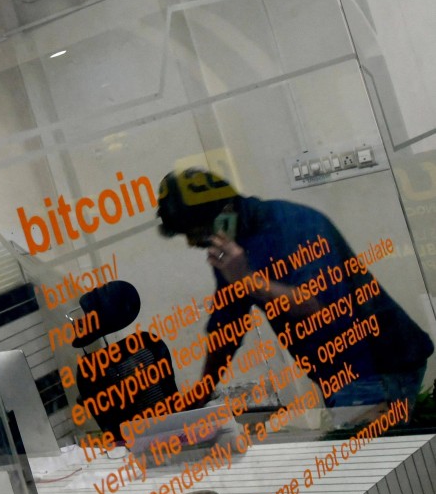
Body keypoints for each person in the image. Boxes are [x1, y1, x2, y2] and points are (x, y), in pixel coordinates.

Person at [156, 167, 433, 409]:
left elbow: (318, 307)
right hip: (338, 370)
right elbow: (226, 329)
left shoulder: (295, 227)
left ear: (225, 212)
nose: (194, 244)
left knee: (373, 458)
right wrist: (202, 392)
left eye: (198, 234)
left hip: (378, 363)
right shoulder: (231, 249)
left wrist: (246, 279)